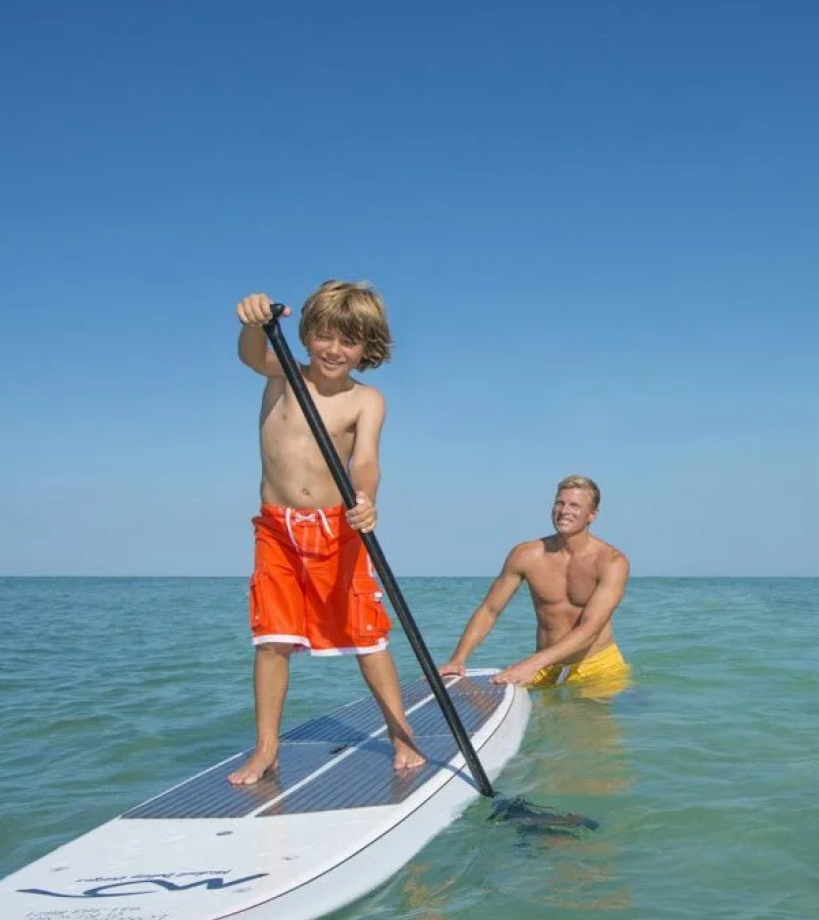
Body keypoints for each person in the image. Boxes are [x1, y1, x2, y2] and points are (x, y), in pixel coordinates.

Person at [228, 283, 425, 785]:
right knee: (270, 638)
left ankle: (400, 733)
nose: (335, 350)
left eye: (349, 342)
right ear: (308, 335)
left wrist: (366, 499)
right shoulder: (285, 374)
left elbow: (366, 462)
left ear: (368, 347)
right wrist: (252, 322)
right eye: (325, 337)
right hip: (277, 527)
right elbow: (253, 356)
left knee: (367, 635)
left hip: (339, 531)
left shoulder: (367, 400)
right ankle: (267, 748)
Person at [438, 475, 631, 694]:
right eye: (560, 503)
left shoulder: (611, 562)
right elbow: (489, 610)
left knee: (589, 727)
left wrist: (531, 664)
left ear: (591, 515)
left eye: (575, 505)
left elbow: (590, 629)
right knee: (545, 725)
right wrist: (457, 659)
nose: (564, 510)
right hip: (546, 667)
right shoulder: (526, 555)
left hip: (597, 667)